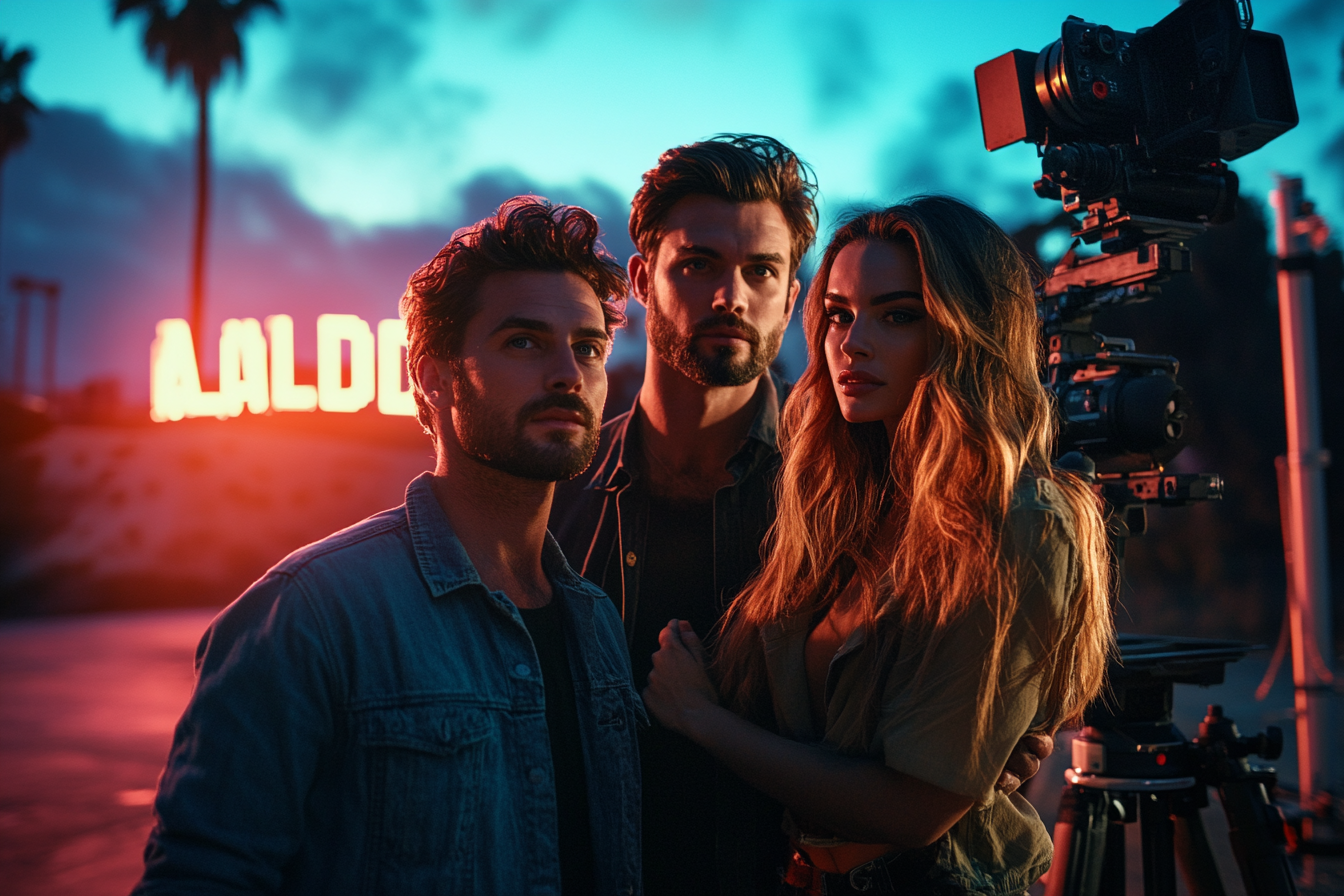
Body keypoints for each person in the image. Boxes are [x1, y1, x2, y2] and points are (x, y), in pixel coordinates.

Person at [551, 137, 1054, 895]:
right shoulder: (558, 495)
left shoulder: (858, 494)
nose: (732, 296)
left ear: (792, 297)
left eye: (762, 271)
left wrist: (987, 746)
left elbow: (929, 740)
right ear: (639, 279)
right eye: (698, 264)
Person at [134, 197, 644, 895]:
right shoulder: (310, 615)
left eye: (587, 347)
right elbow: (203, 875)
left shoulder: (596, 622)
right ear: (433, 377)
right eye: (523, 341)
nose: (567, 372)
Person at [641, 197, 1115, 894]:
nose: (850, 343)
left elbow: (914, 808)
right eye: (838, 314)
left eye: (897, 315)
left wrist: (701, 720)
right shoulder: (844, 502)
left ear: (967, 331)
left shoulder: (1018, 523)